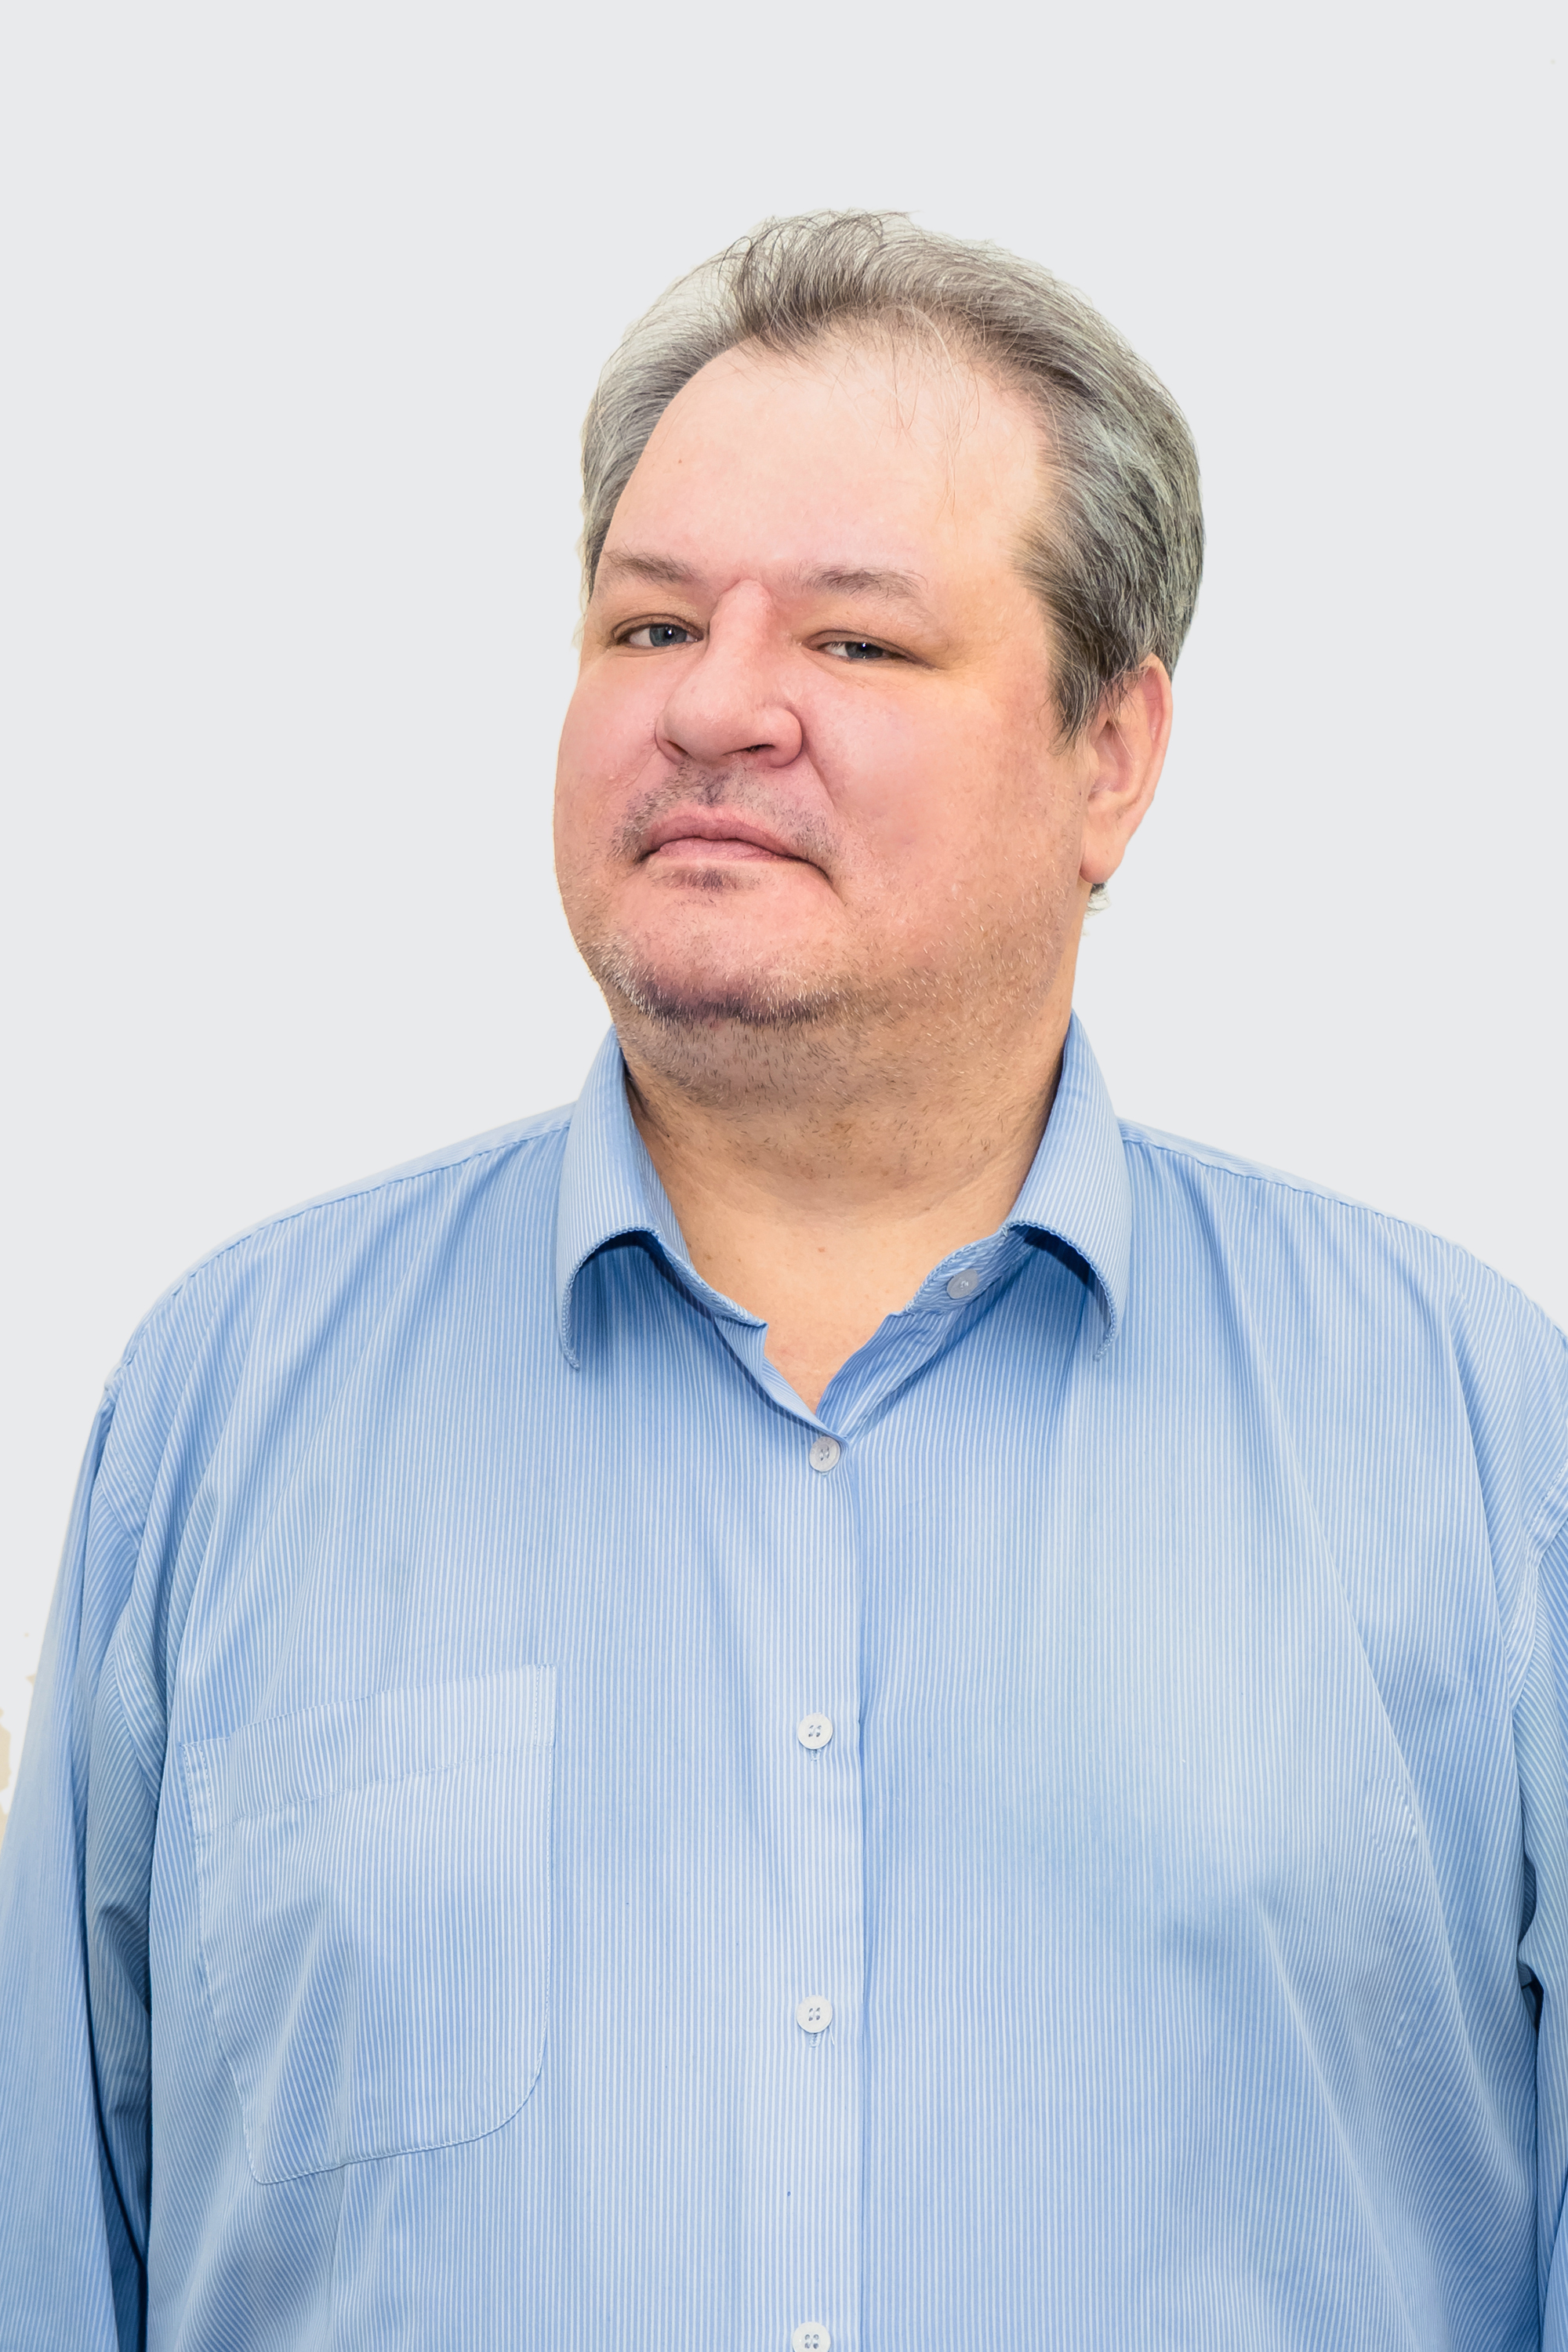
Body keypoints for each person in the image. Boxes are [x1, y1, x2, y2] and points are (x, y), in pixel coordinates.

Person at [1, 209, 1564, 2352]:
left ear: (1111, 753)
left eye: (856, 643)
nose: (718, 705)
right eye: (649, 625)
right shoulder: (226, 1410)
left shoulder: (1476, 1440)